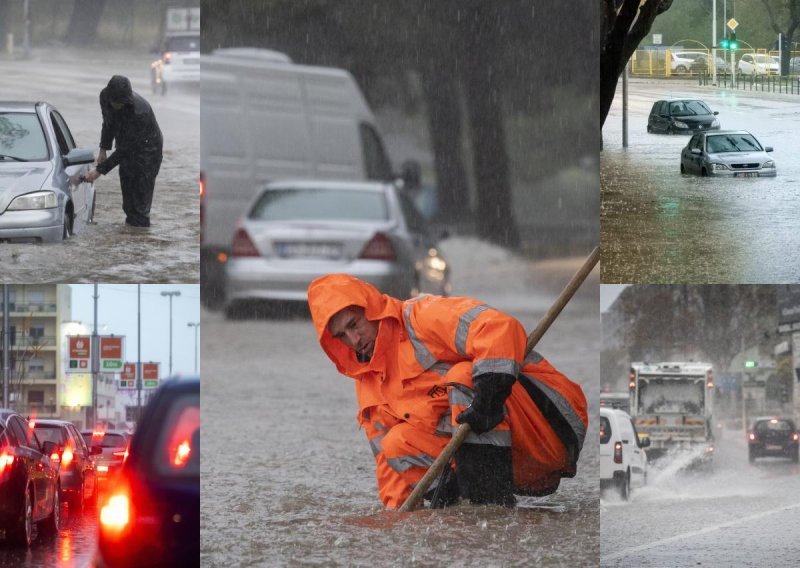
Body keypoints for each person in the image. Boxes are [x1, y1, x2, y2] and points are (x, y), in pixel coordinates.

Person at [307, 274, 588, 509]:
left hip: (552, 423)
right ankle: (461, 509)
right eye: (342, 336)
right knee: (396, 443)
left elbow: (500, 326)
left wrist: (490, 391)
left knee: (462, 376)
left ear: (372, 310)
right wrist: (398, 525)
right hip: (514, 464)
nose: (353, 340)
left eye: (354, 325)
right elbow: (388, 464)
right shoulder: (368, 382)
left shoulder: (421, 317)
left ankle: (487, 508)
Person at [83, 75, 163, 227]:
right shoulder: (104, 97)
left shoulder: (140, 113)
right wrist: (103, 149)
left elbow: (125, 149)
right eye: (117, 102)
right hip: (125, 143)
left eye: (122, 103)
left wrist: (99, 170)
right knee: (128, 200)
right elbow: (108, 123)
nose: (119, 105)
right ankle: (130, 232)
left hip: (148, 150)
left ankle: (140, 237)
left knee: (139, 204)